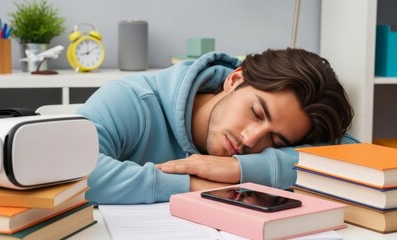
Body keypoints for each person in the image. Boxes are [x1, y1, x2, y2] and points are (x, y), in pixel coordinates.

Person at [76, 48, 358, 204]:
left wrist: (240, 169)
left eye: (276, 141)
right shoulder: (131, 100)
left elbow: (356, 158)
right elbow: (72, 173)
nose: (251, 139)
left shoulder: (253, 150)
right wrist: (190, 184)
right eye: (257, 112)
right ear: (234, 80)